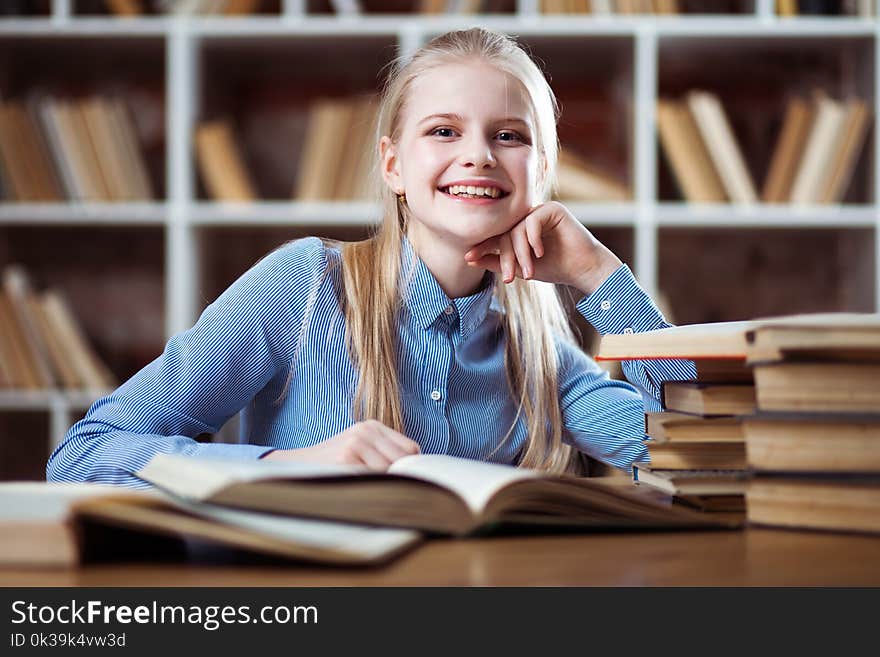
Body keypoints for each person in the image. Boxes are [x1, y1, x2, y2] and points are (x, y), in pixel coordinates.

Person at [47, 28, 693, 488]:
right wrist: (288, 467)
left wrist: (599, 275)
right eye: (443, 130)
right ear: (393, 164)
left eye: (509, 136)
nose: (480, 155)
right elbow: (83, 454)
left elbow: (700, 453)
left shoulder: (536, 351)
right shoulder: (304, 286)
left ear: (542, 173)